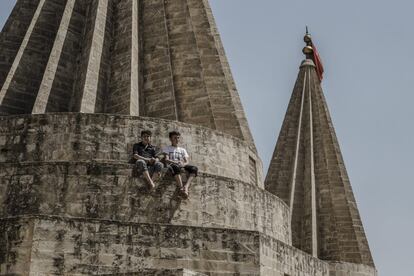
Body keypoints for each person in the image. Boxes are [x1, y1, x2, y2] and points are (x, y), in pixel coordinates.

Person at [162, 131, 198, 199]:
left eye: (178, 138)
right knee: (175, 167)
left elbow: (187, 161)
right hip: (172, 164)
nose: (177, 139)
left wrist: (183, 164)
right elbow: (166, 159)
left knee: (194, 168)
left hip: (181, 165)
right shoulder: (167, 148)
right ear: (170, 139)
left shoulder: (182, 150)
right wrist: (176, 162)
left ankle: (186, 187)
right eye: (175, 138)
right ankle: (181, 188)